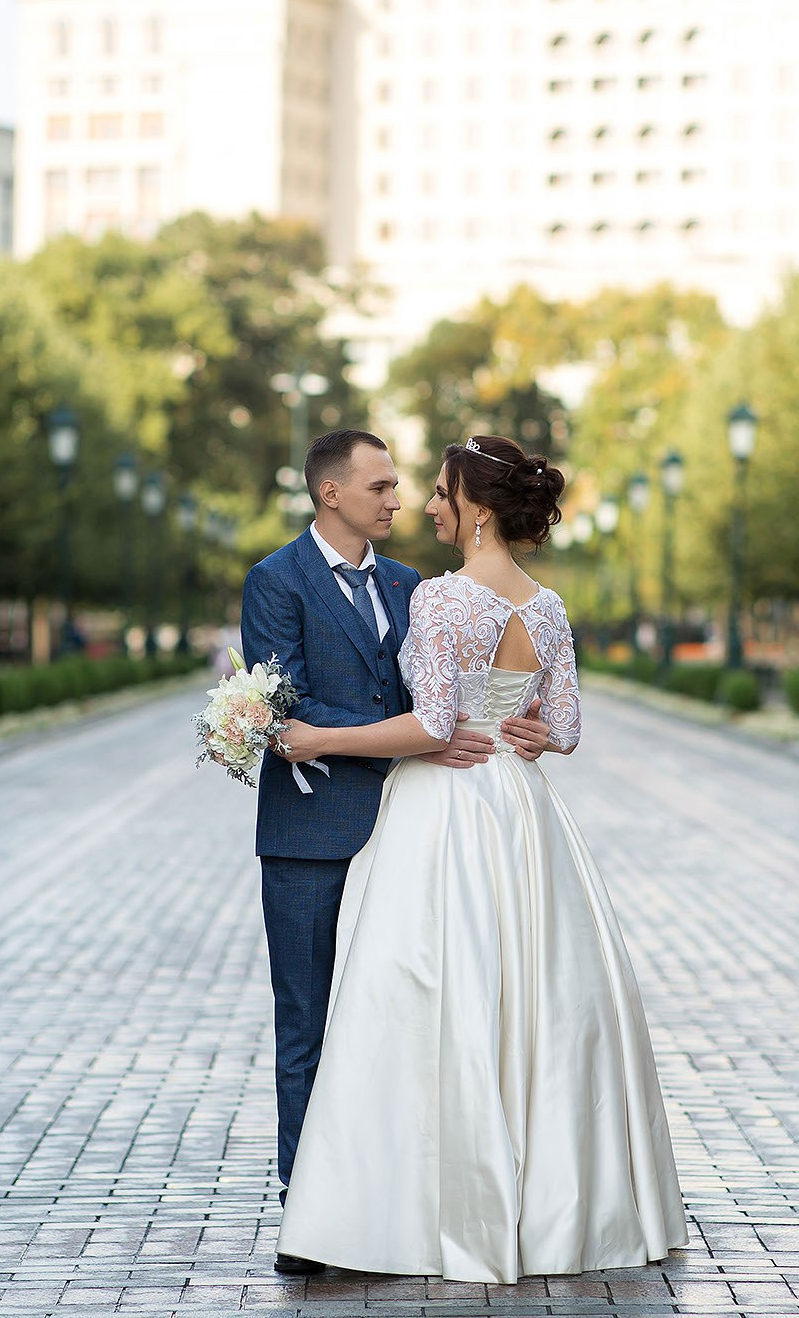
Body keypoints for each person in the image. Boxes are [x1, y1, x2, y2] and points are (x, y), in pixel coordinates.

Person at [271, 434, 686, 1283]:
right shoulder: (549, 606)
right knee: (532, 994)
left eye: (439, 493)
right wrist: (519, 730)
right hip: (523, 810)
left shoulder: (441, 599)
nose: (426, 505)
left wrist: (322, 737)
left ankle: (406, 1204)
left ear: (478, 510)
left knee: (421, 991)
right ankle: (552, 1205)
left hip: (448, 803)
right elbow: (561, 729)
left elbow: (430, 727)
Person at [239, 429, 551, 1278]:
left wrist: (478, 729)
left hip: (421, 829)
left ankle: (391, 1198)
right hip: (309, 834)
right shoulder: (273, 581)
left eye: (400, 485)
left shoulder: (416, 584)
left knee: (399, 1018)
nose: (397, 499)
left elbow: (439, 698)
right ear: (330, 493)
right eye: (379, 485)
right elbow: (285, 702)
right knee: (304, 1021)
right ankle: (308, 1208)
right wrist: (413, 743)